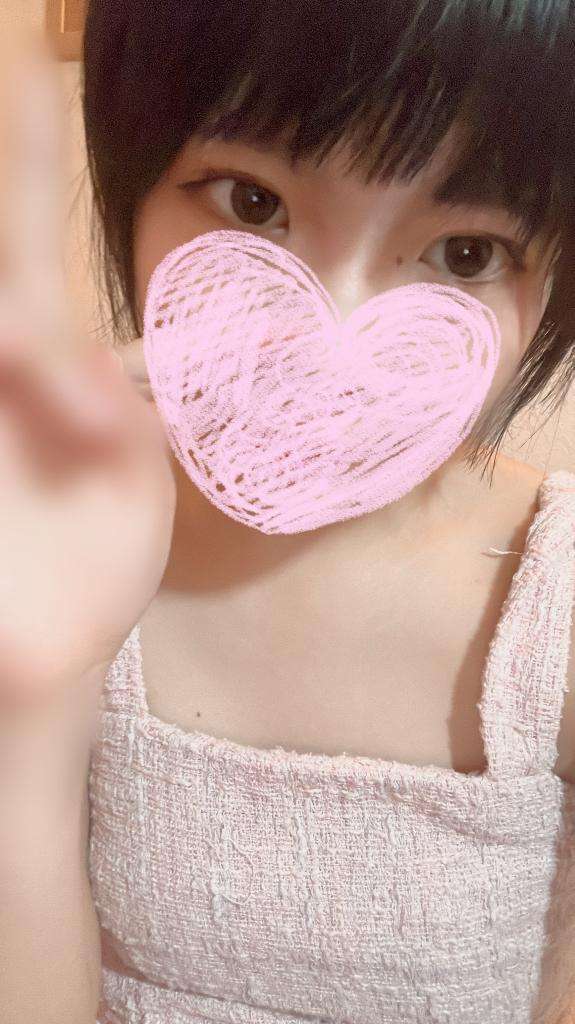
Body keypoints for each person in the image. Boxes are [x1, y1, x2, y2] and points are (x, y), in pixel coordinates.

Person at [2, 3, 575, 1022]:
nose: (334, 331)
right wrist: (30, 691)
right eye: (253, 201)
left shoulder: (552, 593)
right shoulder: (66, 538)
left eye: (464, 254)